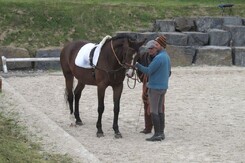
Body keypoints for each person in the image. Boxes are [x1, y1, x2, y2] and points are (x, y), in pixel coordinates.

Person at [135, 35, 171, 141]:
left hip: (155, 87)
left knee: (154, 110)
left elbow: (148, 71)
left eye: (157, 44)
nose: (155, 45)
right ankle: (161, 133)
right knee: (160, 110)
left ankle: (157, 134)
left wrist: (137, 65)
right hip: (163, 87)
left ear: (161, 46)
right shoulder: (166, 56)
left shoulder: (159, 58)